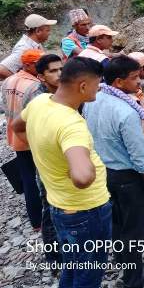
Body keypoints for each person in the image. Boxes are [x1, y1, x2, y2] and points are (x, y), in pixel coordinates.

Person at [12, 57, 111, 288]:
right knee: (89, 273)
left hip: (59, 206)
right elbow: (82, 177)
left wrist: (41, 149)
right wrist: (88, 167)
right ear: (83, 86)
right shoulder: (71, 124)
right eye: (98, 84)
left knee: (73, 263)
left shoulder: (41, 101)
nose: (99, 89)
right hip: (87, 210)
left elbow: (16, 126)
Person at [83, 56, 144, 288]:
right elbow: (140, 158)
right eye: (134, 77)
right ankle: (133, 279)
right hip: (128, 178)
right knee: (135, 231)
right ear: (118, 82)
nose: (139, 82)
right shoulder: (127, 112)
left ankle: (122, 261)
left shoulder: (93, 99)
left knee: (117, 223)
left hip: (103, 172)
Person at [22, 54, 63, 263]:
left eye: (61, 69)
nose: (59, 74)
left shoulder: (62, 91)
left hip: (64, 158)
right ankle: (54, 256)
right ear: (41, 76)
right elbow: (21, 127)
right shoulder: (37, 98)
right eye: (53, 71)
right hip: (47, 163)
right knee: (50, 206)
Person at [1, 49, 45, 230]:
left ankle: (35, 221)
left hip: (15, 136)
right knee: (42, 178)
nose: (43, 68)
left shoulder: (8, 81)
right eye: (39, 64)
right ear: (27, 65)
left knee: (27, 178)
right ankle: (47, 218)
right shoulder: (34, 86)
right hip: (30, 138)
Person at [0, 14, 56, 80]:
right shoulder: (24, 48)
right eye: (47, 30)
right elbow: (2, 70)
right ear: (38, 31)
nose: (49, 33)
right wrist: (23, 82)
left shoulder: (36, 44)